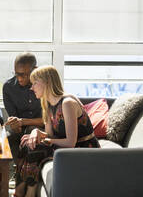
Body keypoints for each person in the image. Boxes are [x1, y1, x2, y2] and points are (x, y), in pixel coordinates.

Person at [14, 65, 100, 197]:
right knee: (26, 141)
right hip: (66, 146)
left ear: (47, 82)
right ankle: (19, 191)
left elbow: (71, 142)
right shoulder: (48, 104)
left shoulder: (67, 103)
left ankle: (29, 194)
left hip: (83, 149)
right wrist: (35, 133)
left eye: (35, 83)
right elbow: (51, 134)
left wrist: (45, 140)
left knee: (35, 147)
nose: (31, 88)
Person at [3, 52, 43, 167]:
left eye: (24, 75)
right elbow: (13, 117)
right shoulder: (8, 87)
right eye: (16, 74)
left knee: (31, 130)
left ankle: (27, 173)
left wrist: (23, 121)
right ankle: (21, 169)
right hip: (21, 130)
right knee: (7, 138)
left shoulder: (43, 85)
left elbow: (47, 120)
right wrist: (14, 124)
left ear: (35, 69)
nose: (19, 78)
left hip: (41, 129)